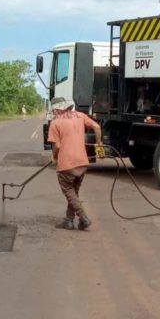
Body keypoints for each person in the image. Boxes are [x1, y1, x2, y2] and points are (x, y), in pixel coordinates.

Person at [47, 97, 104, 230]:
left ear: (56, 109)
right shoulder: (80, 116)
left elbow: (57, 147)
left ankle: (83, 218)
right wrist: (99, 143)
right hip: (82, 163)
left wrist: (54, 157)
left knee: (68, 190)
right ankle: (68, 220)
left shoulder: (55, 123)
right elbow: (96, 126)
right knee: (73, 193)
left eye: (53, 111)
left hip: (67, 164)